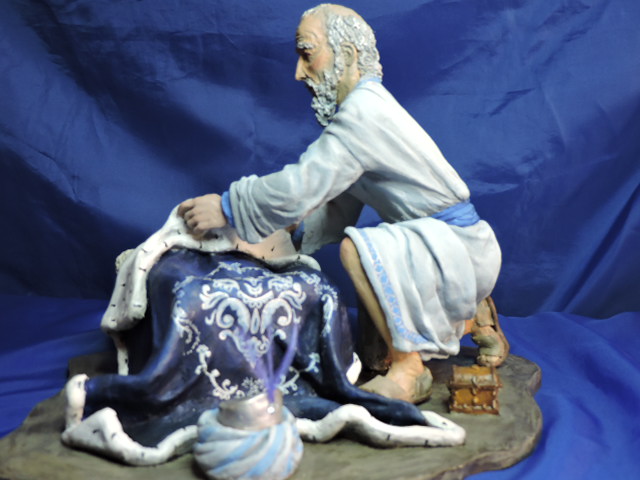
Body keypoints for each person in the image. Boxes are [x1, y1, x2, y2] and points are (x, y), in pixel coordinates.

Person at [178, 3, 509, 404]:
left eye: (307, 53)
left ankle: (411, 370)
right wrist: (295, 231)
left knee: (359, 249)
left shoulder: (362, 115)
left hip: (455, 247)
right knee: (371, 345)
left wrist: (229, 207)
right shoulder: (367, 108)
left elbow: (302, 184)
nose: (299, 72)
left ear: (348, 55)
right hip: (454, 242)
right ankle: (479, 315)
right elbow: (340, 195)